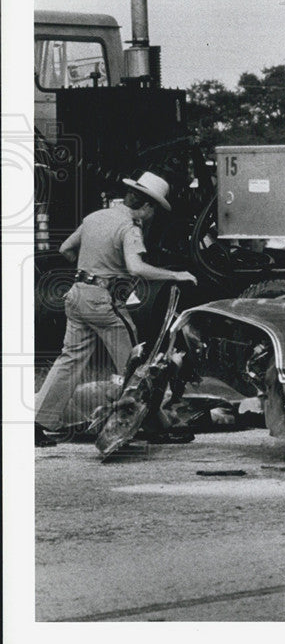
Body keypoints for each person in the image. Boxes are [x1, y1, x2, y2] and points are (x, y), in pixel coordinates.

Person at [34, 171, 198, 447]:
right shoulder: (129, 227)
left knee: (69, 361)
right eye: (154, 210)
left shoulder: (94, 217)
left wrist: (92, 269)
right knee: (138, 364)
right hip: (103, 301)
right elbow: (136, 267)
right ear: (147, 206)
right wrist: (175, 275)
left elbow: (66, 249)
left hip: (76, 294)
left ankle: (38, 422)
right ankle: (152, 425)